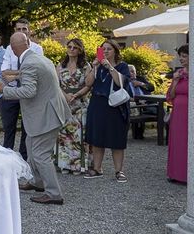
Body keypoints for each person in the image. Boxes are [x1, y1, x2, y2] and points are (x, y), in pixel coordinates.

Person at [0, 32, 71, 205]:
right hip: (49, 112)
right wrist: (17, 77)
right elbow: (39, 80)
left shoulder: (29, 63)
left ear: (14, 49)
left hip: (45, 116)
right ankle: (37, 182)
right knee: (31, 148)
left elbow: (29, 91)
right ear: (28, 43)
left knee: (40, 155)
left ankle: (54, 194)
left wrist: (4, 90)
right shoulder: (39, 59)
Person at [84, 39, 131, 183]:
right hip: (98, 103)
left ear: (115, 52)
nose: (105, 52)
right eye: (103, 49)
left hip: (115, 106)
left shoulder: (122, 66)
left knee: (116, 138)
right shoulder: (98, 66)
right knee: (97, 137)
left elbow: (120, 82)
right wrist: (94, 67)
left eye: (108, 49)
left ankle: (119, 170)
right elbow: (88, 83)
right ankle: (97, 168)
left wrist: (110, 66)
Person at [0, 18, 44, 161]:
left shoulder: (37, 49)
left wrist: (16, 74)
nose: (21, 32)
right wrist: (22, 73)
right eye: (18, 29)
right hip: (11, 93)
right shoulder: (9, 48)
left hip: (28, 93)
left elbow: (38, 71)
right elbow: (4, 73)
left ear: (29, 30)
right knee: (8, 128)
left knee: (27, 129)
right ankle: (7, 158)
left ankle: (24, 158)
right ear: (14, 31)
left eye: (24, 29)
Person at [55, 38, 92, 174]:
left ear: (80, 50)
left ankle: (78, 166)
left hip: (80, 103)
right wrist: (65, 96)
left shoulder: (86, 66)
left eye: (74, 47)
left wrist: (76, 95)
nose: (71, 49)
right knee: (64, 135)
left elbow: (88, 85)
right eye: (69, 47)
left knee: (78, 135)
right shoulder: (60, 65)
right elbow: (56, 84)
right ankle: (65, 164)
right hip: (64, 103)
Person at [166, 44, 188, 183]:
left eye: (184, 56)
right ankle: (175, 174)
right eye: (180, 56)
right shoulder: (179, 73)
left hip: (189, 113)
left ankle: (187, 175)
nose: (181, 59)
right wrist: (175, 81)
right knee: (177, 141)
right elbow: (171, 96)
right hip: (178, 113)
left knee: (188, 142)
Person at [128, 64, 155, 140]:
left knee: (160, 110)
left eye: (133, 71)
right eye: (130, 72)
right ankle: (137, 135)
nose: (132, 73)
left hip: (148, 103)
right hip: (135, 104)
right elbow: (124, 95)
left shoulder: (141, 79)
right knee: (138, 111)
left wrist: (140, 84)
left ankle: (166, 133)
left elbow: (151, 88)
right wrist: (138, 101)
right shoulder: (124, 81)